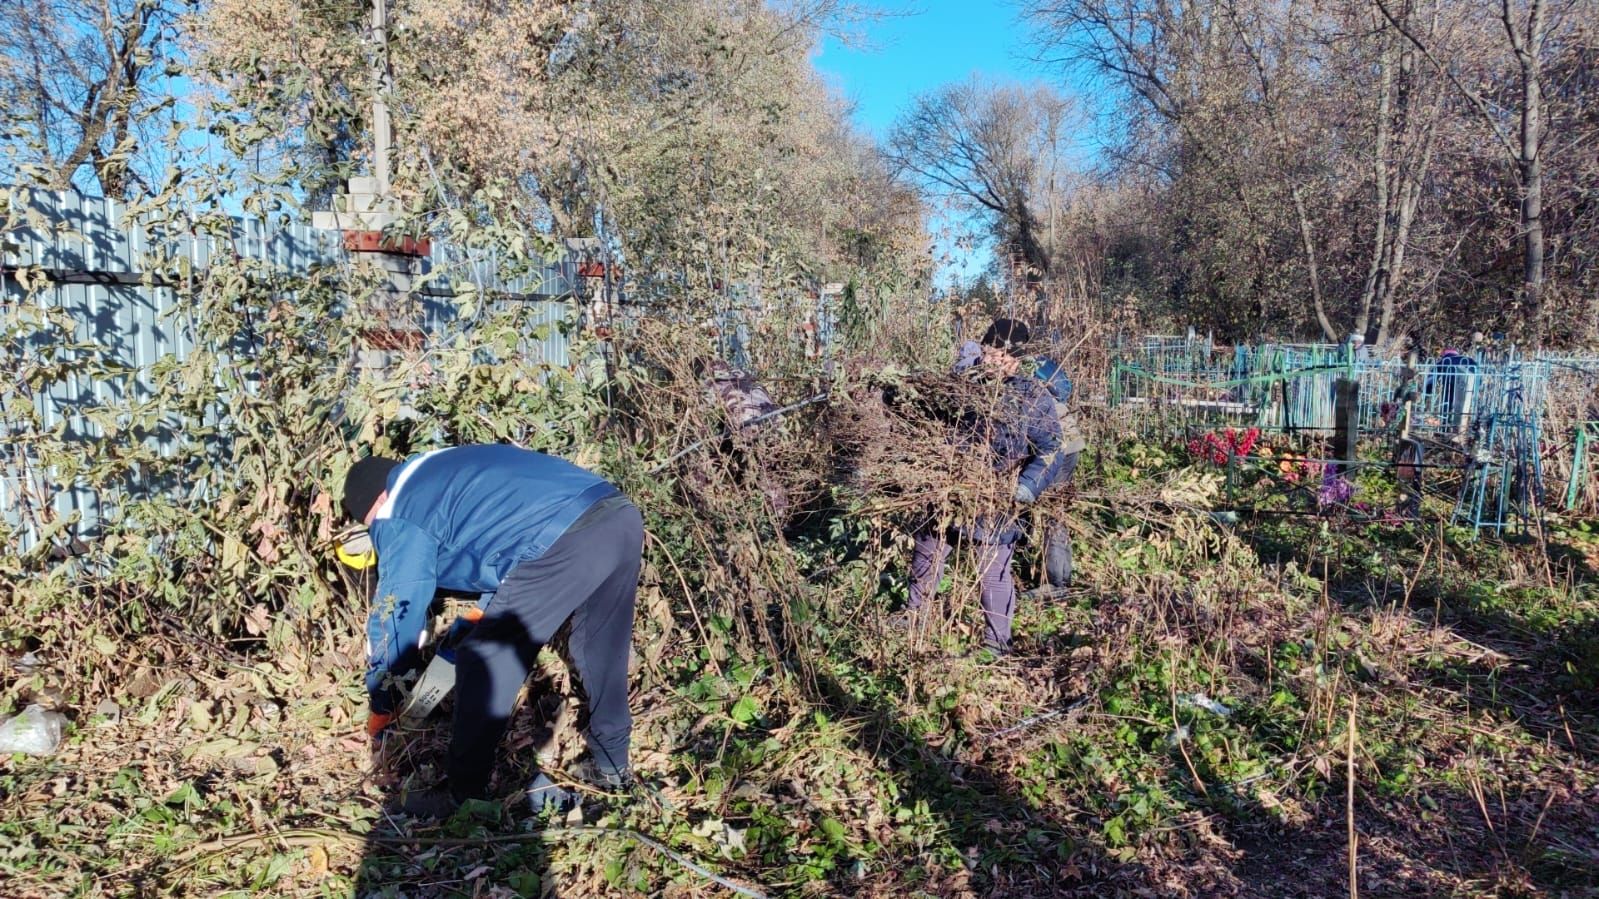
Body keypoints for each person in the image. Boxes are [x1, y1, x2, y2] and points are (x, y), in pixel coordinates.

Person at [340, 443, 643, 818]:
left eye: (370, 525)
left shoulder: (399, 507)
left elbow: (397, 611)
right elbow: (502, 538)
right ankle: (613, 769)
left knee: (485, 659)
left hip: (561, 538)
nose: (377, 533)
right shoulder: (438, 470)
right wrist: (482, 613)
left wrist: (382, 700)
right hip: (616, 515)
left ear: (377, 500)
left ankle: (465, 798)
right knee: (598, 649)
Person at [907, 318, 1062, 655]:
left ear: (1017, 360)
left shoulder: (1030, 396)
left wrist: (1027, 486)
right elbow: (926, 415)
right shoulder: (961, 385)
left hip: (996, 494)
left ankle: (995, 643)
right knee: (928, 550)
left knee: (992, 568)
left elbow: (1051, 448)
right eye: (990, 353)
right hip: (949, 487)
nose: (993, 361)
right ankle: (914, 620)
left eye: (1002, 357)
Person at [1029, 353, 1087, 588]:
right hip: (1069, 443)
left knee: (1054, 512)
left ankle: (1056, 582)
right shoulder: (1038, 369)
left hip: (1058, 446)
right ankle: (1061, 577)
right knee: (1058, 512)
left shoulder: (1024, 371)